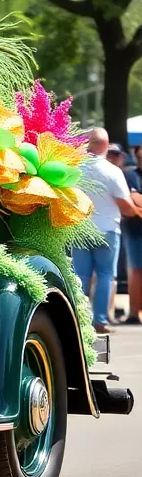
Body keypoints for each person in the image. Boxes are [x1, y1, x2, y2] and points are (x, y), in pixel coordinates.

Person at [72, 128, 137, 334]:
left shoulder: (75, 168)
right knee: (105, 275)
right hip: (107, 229)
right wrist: (137, 210)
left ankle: (78, 320)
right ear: (106, 146)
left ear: (87, 143)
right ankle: (99, 320)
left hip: (81, 228)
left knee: (80, 275)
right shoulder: (112, 171)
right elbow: (125, 205)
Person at [117, 146, 142, 324]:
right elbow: (134, 199)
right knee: (136, 271)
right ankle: (134, 312)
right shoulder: (130, 175)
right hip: (135, 230)